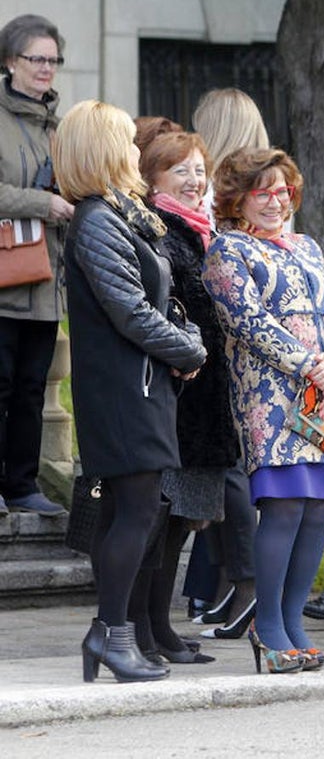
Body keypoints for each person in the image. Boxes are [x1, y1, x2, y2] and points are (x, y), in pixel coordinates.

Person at [202, 147, 324, 673]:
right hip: (270, 396)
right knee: (286, 504)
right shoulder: (227, 250)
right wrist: (308, 363)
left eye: (283, 191)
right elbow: (246, 321)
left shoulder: (307, 245)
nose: (275, 201)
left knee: (320, 509)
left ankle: (294, 622)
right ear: (238, 198)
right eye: (262, 191)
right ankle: (266, 625)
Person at [56, 99, 206, 682]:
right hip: (124, 390)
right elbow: (131, 313)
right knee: (137, 510)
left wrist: (185, 334)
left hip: (139, 383)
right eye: (123, 140)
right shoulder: (97, 220)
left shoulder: (123, 215)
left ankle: (113, 635)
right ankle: (110, 633)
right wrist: (189, 349)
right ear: (101, 150)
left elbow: (157, 301)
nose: (133, 152)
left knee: (135, 509)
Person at [122, 128, 235, 666]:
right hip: (173, 396)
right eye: (180, 171)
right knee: (157, 522)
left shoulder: (201, 232)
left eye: (198, 170)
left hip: (203, 398)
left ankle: (160, 626)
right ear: (152, 177)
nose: (194, 181)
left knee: (176, 527)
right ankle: (141, 629)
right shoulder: (157, 230)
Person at [185, 87, 269, 636]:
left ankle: (245, 584)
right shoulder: (267, 186)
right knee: (228, 467)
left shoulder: (214, 195)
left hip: (220, 342)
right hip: (255, 342)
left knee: (227, 467)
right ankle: (228, 585)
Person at [0, 14, 71, 518]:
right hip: (3, 280)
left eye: (53, 59)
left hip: (47, 282)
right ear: (10, 61)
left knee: (29, 389)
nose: (47, 68)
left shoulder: (61, 126)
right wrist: (41, 204)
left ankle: (22, 485)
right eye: (36, 59)